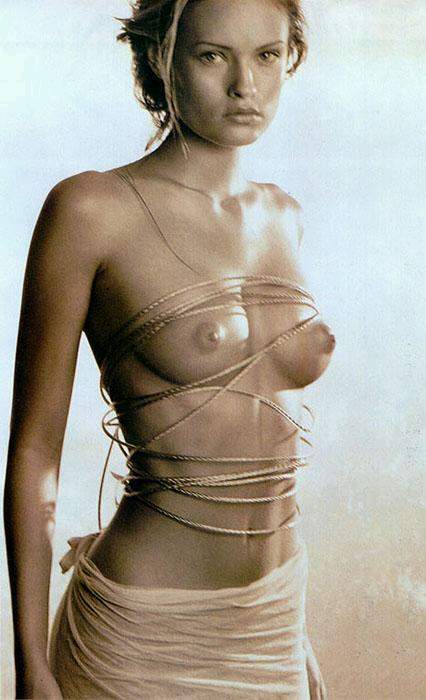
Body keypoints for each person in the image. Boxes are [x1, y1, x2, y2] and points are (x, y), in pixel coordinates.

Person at [4, 0, 334, 697]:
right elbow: (34, 452)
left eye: (267, 55)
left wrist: (293, 637)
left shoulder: (285, 216)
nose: (245, 85)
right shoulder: (92, 210)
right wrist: (31, 662)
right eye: (213, 55)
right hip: (140, 635)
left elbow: (267, 438)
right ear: (161, 57)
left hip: (273, 620)